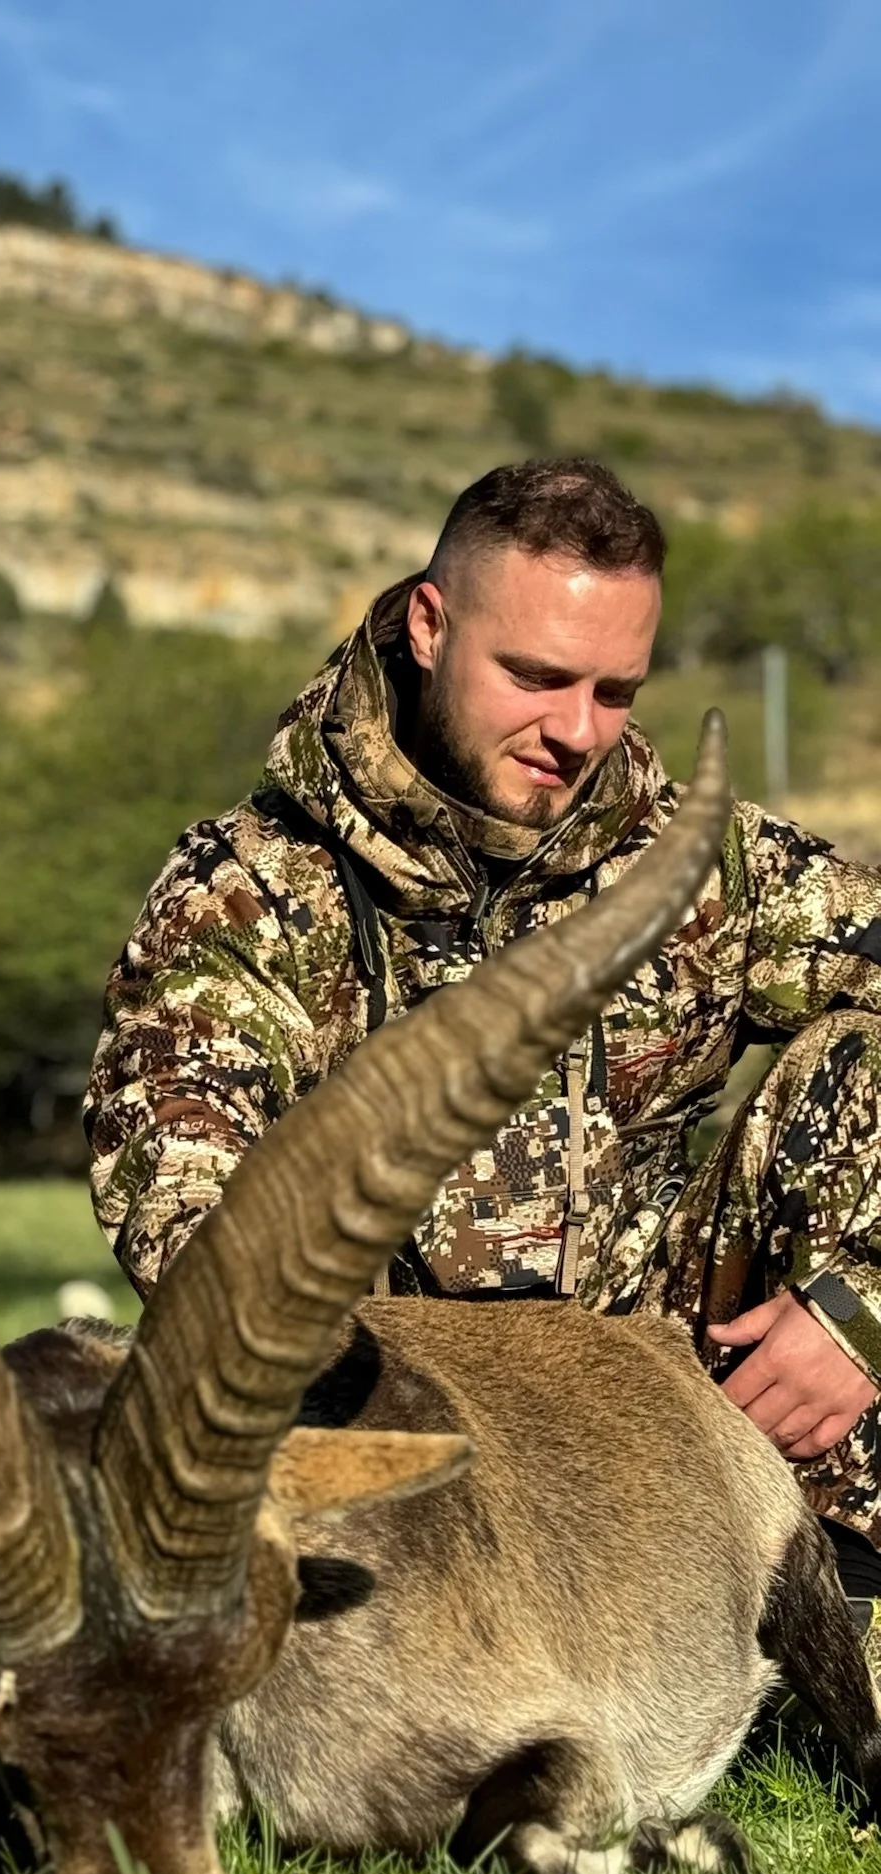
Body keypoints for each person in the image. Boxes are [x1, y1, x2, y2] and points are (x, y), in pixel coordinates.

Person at [84, 456, 881, 1594]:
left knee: (859, 1063)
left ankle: (827, 1597)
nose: (577, 729)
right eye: (537, 675)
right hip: (393, 1430)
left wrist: (862, 1312)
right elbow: (177, 1166)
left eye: (616, 692)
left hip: (671, 1401)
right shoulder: (253, 886)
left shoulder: (712, 865)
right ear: (428, 623)